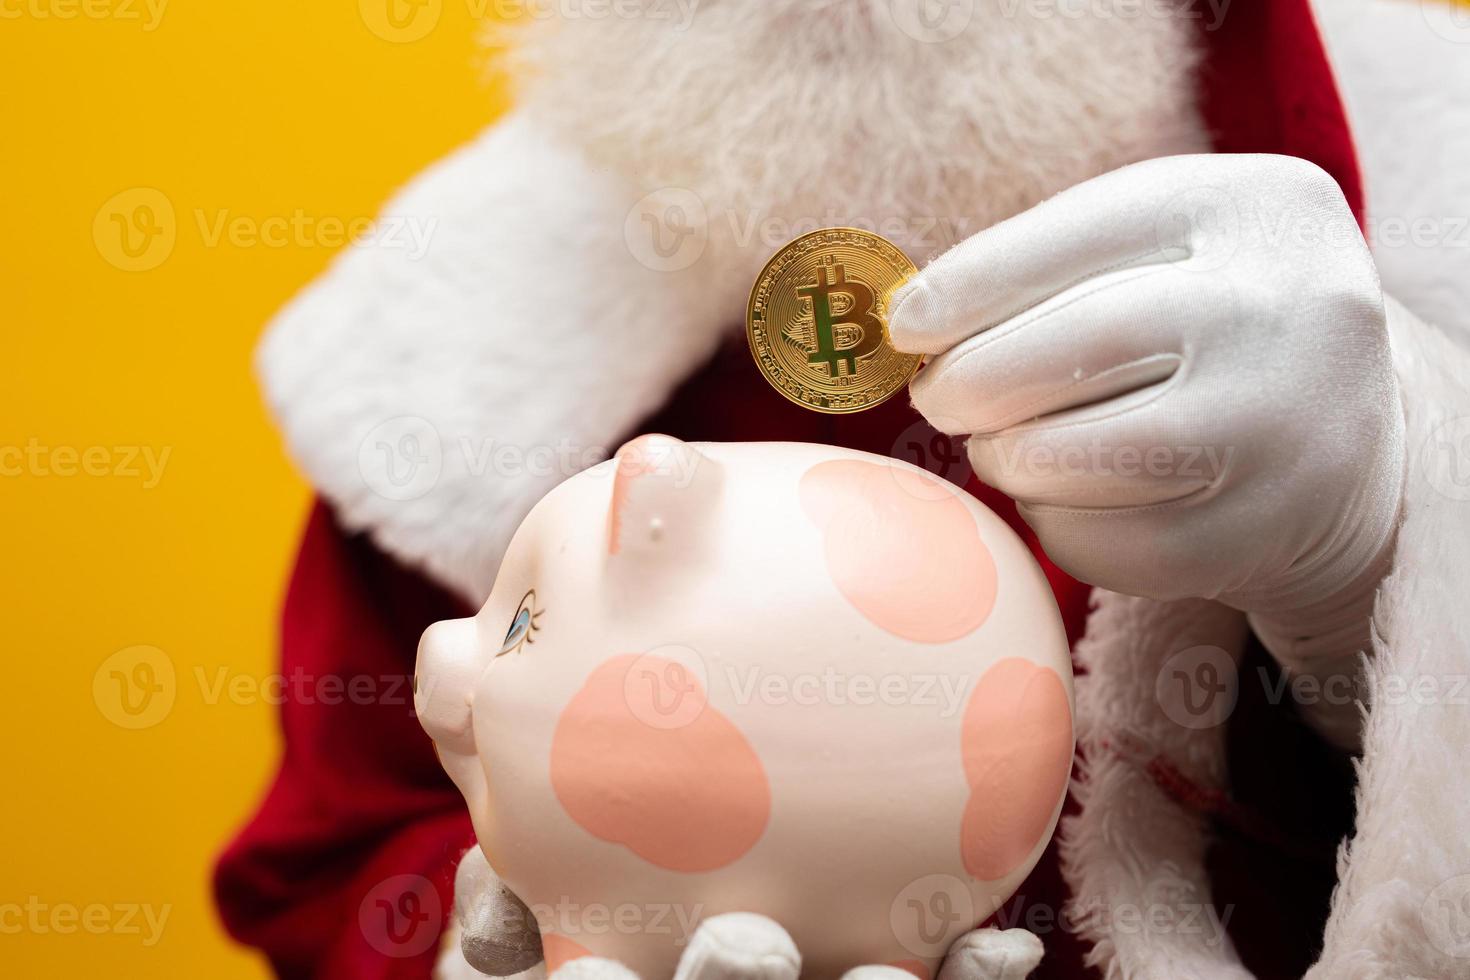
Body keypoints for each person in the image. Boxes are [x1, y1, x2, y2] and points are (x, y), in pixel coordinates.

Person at [216, 2, 1470, 978]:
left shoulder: (1434, 171)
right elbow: (335, 856)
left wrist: (1390, 555)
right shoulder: (451, 343)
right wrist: (509, 935)